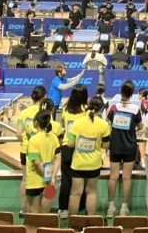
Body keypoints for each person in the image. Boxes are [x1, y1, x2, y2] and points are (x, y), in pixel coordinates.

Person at [67, 96, 111, 216]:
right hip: (94, 164)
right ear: (101, 109)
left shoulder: (77, 122)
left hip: (78, 164)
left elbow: (70, 144)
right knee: (91, 193)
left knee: (75, 193)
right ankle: (91, 222)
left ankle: (73, 222)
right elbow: (105, 145)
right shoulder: (104, 124)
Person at [106, 80, 143, 218]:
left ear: (120, 91)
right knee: (127, 178)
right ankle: (123, 208)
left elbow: (109, 120)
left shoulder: (114, 107)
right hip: (129, 146)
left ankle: (110, 208)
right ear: (132, 93)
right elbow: (140, 126)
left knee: (113, 177)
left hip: (115, 145)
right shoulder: (135, 109)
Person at [16, 86, 47, 217]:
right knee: (41, 181)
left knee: (25, 179)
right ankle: (39, 211)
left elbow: (18, 134)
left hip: (25, 151)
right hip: (42, 152)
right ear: (44, 97)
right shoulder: (45, 114)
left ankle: (23, 209)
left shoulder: (24, 113)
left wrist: (26, 141)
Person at [58, 84, 88, 219]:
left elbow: (64, 126)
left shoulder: (65, 109)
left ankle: (63, 209)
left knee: (66, 179)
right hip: (80, 149)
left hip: (66, 147)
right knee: (81, 180)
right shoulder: (86, 110)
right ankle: (81, 208)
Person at [26, 110, 62, 213]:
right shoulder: (54, 137)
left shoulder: (33, 140)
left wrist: (47, 177)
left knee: (34, 213)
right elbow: (58, 158)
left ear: (36, 122)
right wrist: (52, 177)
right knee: (45, 214)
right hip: (49, 181)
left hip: (34, 181)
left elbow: (37, 163)